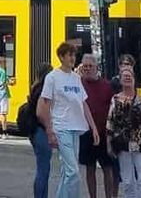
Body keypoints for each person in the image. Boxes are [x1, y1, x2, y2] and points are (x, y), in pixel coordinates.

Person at [36, 43, 99, 198]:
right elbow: (45, 105)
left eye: (74, 55)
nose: (72, 58)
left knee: (67, 171)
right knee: (73, 171)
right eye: (69, 55)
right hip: (61, 127)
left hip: (76, 128)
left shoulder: (76, 78)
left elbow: (83, 103)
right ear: (61, 57)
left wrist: (94, 127)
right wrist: (49, 130)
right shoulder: (52, 77)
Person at [106, 64, 141, 198]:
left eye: (130, 76)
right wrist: (109, 144)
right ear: (121, 80)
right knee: (128, 182)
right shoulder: (115, 100)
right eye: (124, 76)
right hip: (122, 146)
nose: (127, 78)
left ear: (134, 79)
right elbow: (110, 123)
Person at [76, 54, 115, 198]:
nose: (87, 69)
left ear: (96, 68)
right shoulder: (78, 84)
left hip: (104, 133)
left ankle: (109, 196)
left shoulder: (107, 86)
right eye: (84, 66)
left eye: (90, 66)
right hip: (86, 133)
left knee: (107, 168)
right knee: (89, 167)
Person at [24, 64, 53, 198]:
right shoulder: (44, 90)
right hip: (41, 131)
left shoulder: (35, 87)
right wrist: (49, 128)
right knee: (43, 170)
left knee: (43, 168)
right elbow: (41, 113)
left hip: (34, 131)